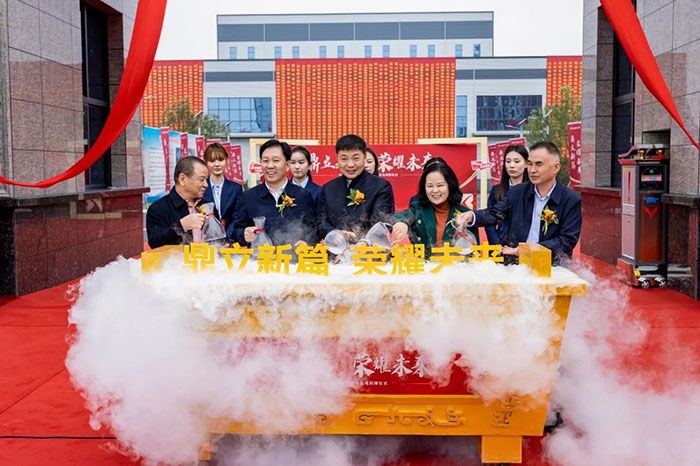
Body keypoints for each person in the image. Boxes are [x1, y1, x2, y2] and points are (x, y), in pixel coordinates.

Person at [455, 141, 582, 265]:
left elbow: (567, 240)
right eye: (530, 164)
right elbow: (495, 213)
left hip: (551, 265)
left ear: (556, 167)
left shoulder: (570, 199)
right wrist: (472, 216)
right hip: (516, 264)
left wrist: (527, 250)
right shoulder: (517, 192)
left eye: (539, 164)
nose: (532, 170)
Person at [232, 139, 317, 247]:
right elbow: (236, 230)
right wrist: (244, 234)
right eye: (265, 161)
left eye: (276, 160)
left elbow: (314, 230)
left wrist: (307, 243)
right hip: (260, 257)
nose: (270, 166)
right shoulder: (249, 197)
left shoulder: (303, 196)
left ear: (287, 165)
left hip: (293, 257)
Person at [392, 160, 479, 257]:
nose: (435, 190)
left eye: (440, 185)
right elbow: (402, 216)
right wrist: (402, 223)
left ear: (450, 185)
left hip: (453, 265)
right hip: (424, 265)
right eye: (430, 186)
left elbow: (474, 252)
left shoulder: (465, 214)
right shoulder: (417, 209)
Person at [318, 134, 395, 240]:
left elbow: (381, 224)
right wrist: (336, 234)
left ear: (364, 157)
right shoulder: (328, 189)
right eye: (344, 159)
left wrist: (362, 241)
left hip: (369, 249)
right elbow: (321, 223)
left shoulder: (381, 186)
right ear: (337, 158)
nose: (350, 164)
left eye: (355, 158)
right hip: (335, 248)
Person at [146, 156, 209, 249]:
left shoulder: (206, 205)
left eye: (206, 179)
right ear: (182, 179)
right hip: (177, 258)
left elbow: (219, 237)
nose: (206, 185)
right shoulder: (158, 208)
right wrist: (181, 226)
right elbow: (155, 243)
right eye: (201, 179)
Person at [485, 144, 529, 245]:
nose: (511, 165)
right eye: (508, 161)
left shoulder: (533, 190)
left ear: (526, 164)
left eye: (517, 161)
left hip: (525, 244)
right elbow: (489, 221)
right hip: (501, 244)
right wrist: (496, 244)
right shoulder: (496, 190)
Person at [201, 142, 243, 239]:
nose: (217, 164)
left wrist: (226, 238)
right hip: (205, 239)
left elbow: (236, 218)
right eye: (212, 161)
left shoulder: (236, 188)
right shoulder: (201, 188)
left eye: (220, 160)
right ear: (206, 163)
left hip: (230, 239)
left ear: (227, 161)